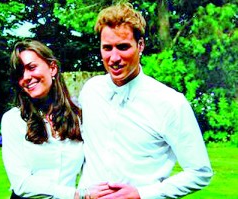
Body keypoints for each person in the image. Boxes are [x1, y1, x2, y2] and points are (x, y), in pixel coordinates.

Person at [78, 3, 213, 199]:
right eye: (107, 48)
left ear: (140, 45)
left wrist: (142, 194)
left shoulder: (170, 103)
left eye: (123, 47)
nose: (114, 57)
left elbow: (200, 172)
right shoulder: (90, 91)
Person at [1, 39, 84, 199]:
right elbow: (22, 184)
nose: (26, 77)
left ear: (52, 68)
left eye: (32, 67)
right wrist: (75, 195)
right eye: (20, 73)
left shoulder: (79, 117)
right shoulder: (13, 120)